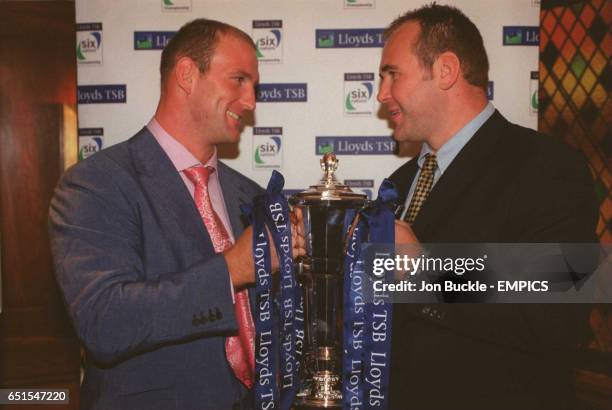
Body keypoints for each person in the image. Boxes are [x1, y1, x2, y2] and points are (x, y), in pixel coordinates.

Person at [49, 19, 302, 410]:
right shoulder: (96, 183)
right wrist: (232, 269)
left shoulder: (250, 195)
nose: (251, 101)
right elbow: (105, 320)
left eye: (254, 85)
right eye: (238, 79)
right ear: (187, 74)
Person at [377, 4, 599, 409]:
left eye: (393, 75)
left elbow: (558, 316)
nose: (381, 94)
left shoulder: (547, 167)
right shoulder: (400, 183)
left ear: (445, 70)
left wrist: (425, 271)